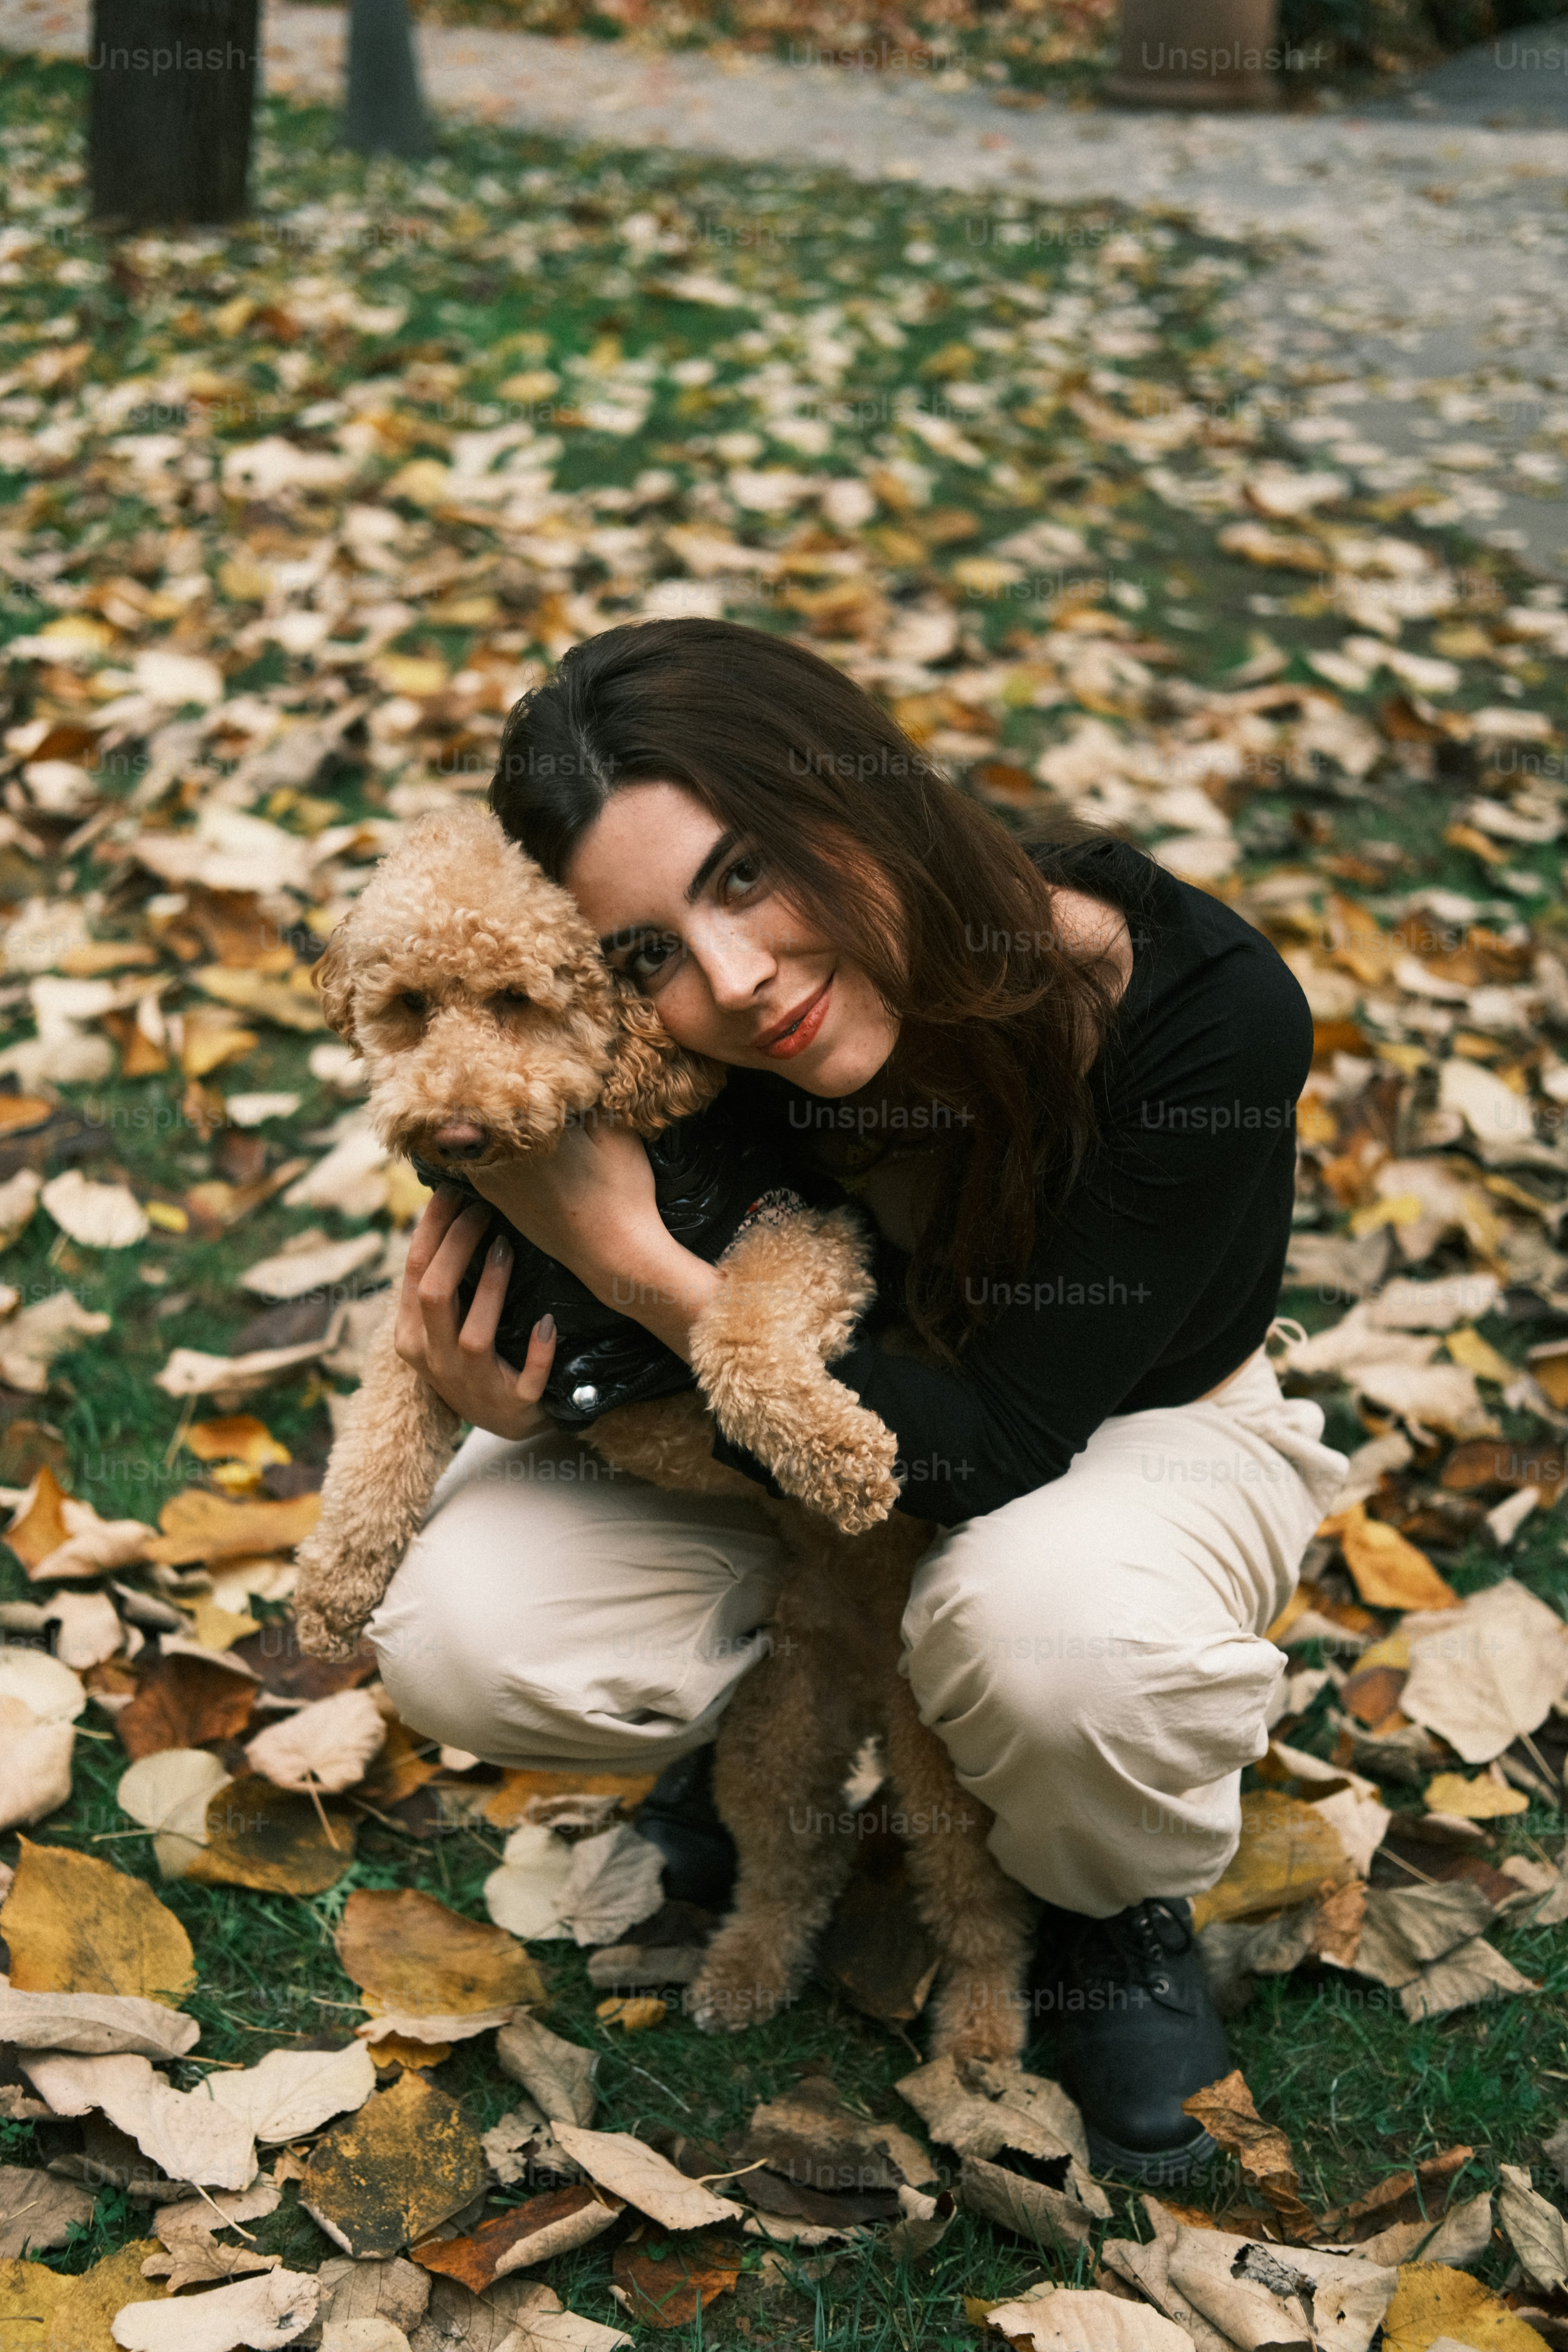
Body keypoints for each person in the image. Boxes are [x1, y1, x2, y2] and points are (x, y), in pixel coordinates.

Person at [367, 616, 1349, 2180]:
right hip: (764, 1436)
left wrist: (635, 1269)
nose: (739, 983)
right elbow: (499, 1136)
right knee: (457, 1627)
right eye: (646, 955)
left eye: (745, 873)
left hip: (1112, 1435)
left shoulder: (1192, 1009)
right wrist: (516, 1379)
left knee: (1048, 1645)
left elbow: (992, 1447)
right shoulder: (685, 1048)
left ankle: (1103, 1895)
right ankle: (778, 1707)